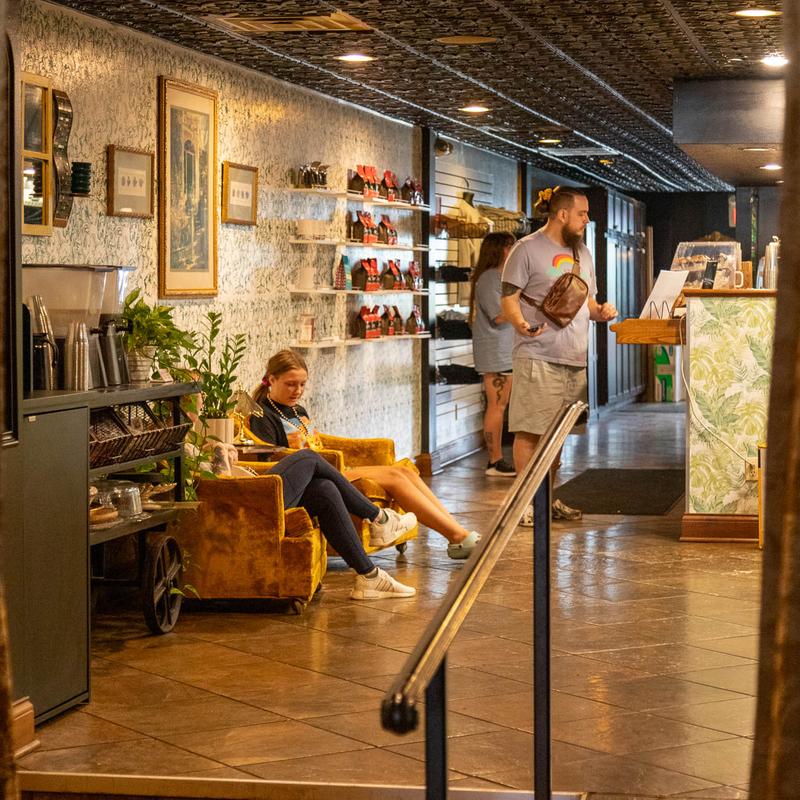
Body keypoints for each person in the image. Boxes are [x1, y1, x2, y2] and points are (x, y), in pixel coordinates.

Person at [250, 349, 481, 559]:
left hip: (329, 466)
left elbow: (315, 441)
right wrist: (294, 449)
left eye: (302, 384)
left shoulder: (297, 409)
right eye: (291, 384)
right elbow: (269, 461)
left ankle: (458, 532)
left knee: (404, 471)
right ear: (272, 380)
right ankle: (456, 536)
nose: (298, 391)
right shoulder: (263, 415)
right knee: (395, 478)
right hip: (314, 477)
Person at [500, 186, 617, 521]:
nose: (587, 219)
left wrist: (601, 312)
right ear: (562, 214)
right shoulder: (526, 249)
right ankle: (524, 506)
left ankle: (545, 500)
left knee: (557, 436)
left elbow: (587, 302)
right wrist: (521, 323)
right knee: (530, 432)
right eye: (582, 213)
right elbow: (508, 297)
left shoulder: (584, 253)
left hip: (575, 360)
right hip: (537, 355)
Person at [469, 231, 517, 477]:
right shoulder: (489, 278)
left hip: (506, 349)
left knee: (501, 404)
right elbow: (499, 316)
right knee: (497, 405)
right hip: (496, 351)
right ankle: (494, 461)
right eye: (510, 247)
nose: (514, 251)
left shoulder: (502, 277)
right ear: (498, 250)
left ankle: (496, 460)